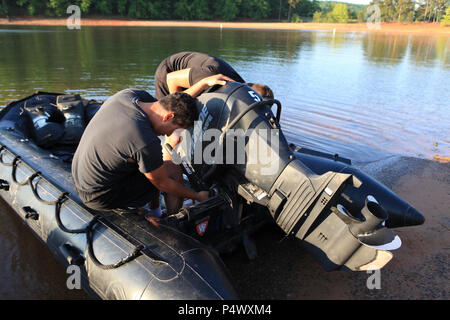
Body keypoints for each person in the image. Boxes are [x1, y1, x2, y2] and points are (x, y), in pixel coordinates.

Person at [71, 88, 211, 217]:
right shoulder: (144, 140)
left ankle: (155, 212)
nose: (169, 133)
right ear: (168, 117)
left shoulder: (130, 95)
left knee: (154, 163)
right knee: (172, 173)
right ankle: (170, 221)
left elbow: (174, 103)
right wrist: (197, 196)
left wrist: (204, 84)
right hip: (99, 196)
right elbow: (163, 183)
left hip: (80, 179)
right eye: (175, 128)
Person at [154, 51, 274, 100]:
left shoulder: (240, 87)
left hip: (193, 79)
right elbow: (172, 79)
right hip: (168, 74)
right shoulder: (213, 75)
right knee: (174, 120)